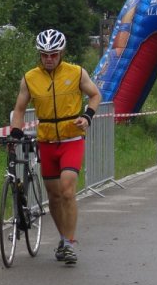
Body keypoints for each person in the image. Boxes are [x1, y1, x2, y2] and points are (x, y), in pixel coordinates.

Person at [10, 28, 102, 265]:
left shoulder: (76, 72)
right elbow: (19, 110)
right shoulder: (30, 78)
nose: (49, 59)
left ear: (61, 53)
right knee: (53, 195)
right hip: (47, 141)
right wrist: (16, 132)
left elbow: (95, 95)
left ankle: (70, 243)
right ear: (39, 55)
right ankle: (63, 238)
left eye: (53, 54)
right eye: (44, 55)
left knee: (68, 190)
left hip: (71, 139)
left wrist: (88, 116)